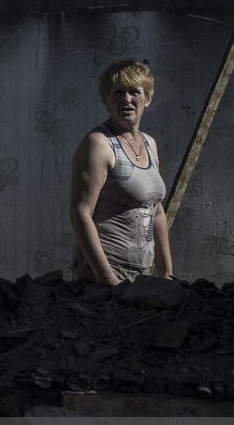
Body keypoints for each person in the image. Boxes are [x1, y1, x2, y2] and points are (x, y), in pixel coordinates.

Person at [69, 59, 174, 284]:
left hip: (141, 274)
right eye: (118, 93)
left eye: (134, 92)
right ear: (106, 100)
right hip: (105, 274)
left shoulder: (149, 143)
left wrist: (166, 273)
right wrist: (107, 278)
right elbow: (80, 214)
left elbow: (156, 211)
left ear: (148, 98)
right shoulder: (99, 144)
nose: (126, 99)